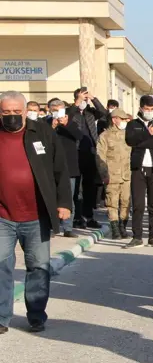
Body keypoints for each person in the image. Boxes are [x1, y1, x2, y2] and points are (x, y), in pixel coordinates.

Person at [0, 91, 72, 334]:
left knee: (38, 267)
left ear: (25, 111)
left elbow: (60, 169)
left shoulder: (42, 132)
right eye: (6, 112)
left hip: (37, 214)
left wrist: (64, 203)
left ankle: (36, 315)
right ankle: (1, 317)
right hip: (3, 216)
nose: (11, 116)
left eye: (16, 112)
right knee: (1, 266)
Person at [125, 95, 153, 248]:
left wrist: (141, 142)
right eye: (147, 109)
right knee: (138, 204)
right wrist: (147, 133)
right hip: (138, 168)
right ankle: (137, 236)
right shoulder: (133, 124)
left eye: (152, 109)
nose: (149, 111)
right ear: (141, 108)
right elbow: (130, 141)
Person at [68, 87, 108, 229]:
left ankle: (89, 216)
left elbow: (104, 113)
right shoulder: (71, 111)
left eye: (86, 99)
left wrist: (93, 99)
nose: (84, 101)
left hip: (90, 152)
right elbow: (68, 117)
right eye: (82, 98)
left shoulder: (90, 112)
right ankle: (77, 217)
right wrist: (77, 102)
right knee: (77, 188)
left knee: (90, 187)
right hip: (76, 152)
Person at [45, 98, 81, 238]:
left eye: (60, 110)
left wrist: (66, 124)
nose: (58, 113)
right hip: (49, 165)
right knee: (50, 197)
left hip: (68, 167)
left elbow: (80, 136)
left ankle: (68, 227)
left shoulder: (71, 122)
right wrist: (52, 128)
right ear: (50, 111)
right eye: (55, 110)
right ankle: (51, 226)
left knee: (68, 197)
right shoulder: (44, 124)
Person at [96, 109, 132, 240]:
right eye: (122, 119)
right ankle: (115, 229)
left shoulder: (128, 135)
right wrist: (104, 174)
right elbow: (100, 157)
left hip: (126, 175)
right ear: (114, 119)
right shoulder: (104, 136)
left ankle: (123, 227)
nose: (125, 122)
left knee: (126, 202)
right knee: (112, 203)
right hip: (112, 175)